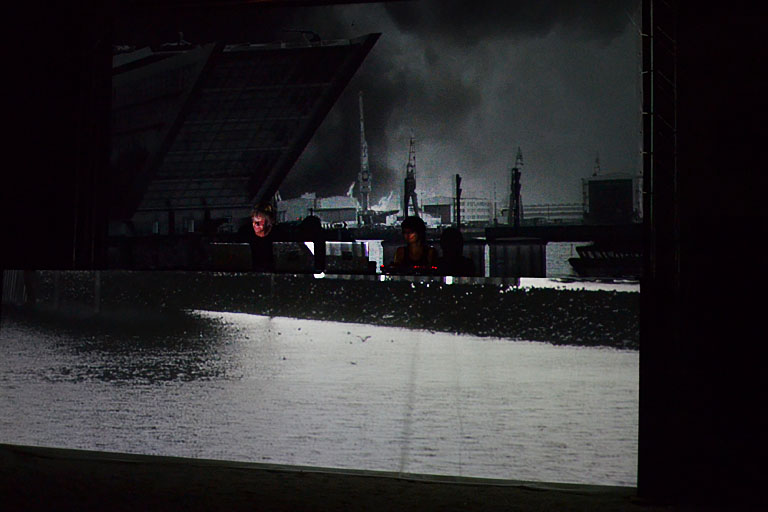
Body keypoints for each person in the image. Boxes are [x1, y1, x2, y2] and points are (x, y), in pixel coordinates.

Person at [239, 203, 278, 272]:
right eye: (253, 221)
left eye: (258, 223)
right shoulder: (245, 232)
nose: (254, 225)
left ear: (269, 221)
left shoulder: (278, 234)